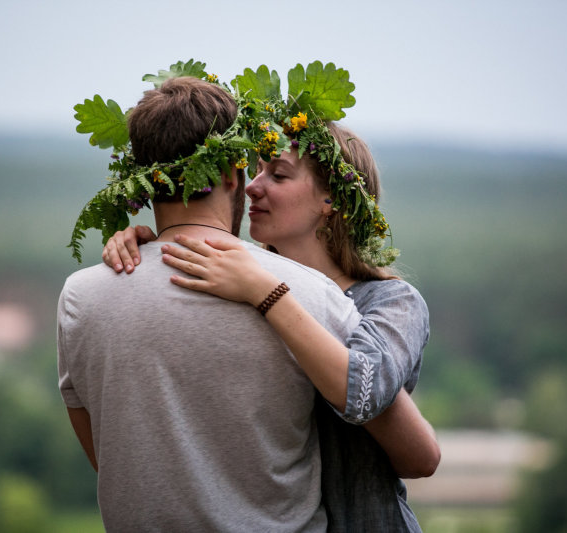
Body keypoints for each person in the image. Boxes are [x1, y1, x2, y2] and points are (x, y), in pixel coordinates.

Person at [59, 74, 372, 531]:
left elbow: (107, 459)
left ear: (142, 182)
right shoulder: (313, 296)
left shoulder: (80, 298)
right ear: (230, 173)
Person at [103, 120, 439, 530]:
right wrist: (151, 249)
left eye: (277, 174)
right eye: (256, 170)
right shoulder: (237, 286)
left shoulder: (390, 301)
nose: (252, 187)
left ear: (330, 199)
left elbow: (379, 410)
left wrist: (268, 292)